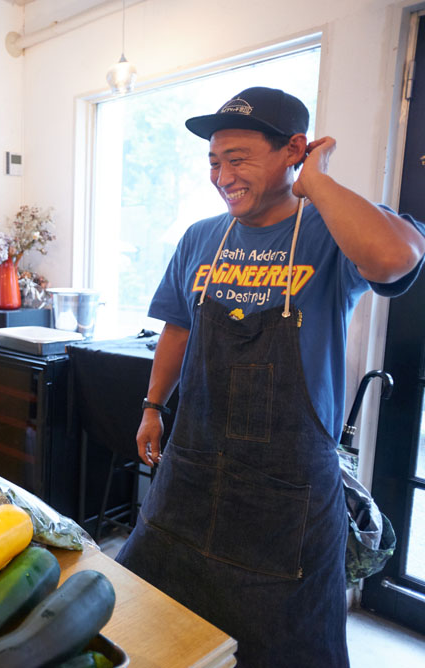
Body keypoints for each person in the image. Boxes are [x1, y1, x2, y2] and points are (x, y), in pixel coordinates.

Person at [115, 87, 425, 666]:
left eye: (238, 158)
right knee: (153, 623)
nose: (221, 175)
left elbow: (395, 257)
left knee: (285, 649)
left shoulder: (330, 232)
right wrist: (153, 406)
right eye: (214, 160)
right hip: (190, 475)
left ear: (293, 151)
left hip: (286, 498)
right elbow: (178, 330)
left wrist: (320, 181)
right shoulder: (201, 237)